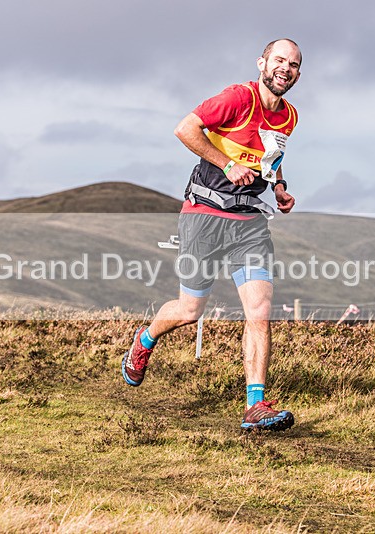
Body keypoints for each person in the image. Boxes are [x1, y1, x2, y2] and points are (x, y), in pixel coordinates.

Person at [122, 38, 302, 431]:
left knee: (259, 312)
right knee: (190, 311)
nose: (284, 69)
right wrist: (226, 163)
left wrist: (280, 187)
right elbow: (185, 128)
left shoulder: (289, 117)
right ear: (262, 63)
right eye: (279, 60)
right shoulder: (238, 98)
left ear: (297, 74)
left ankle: (255, 405)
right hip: (204, 215)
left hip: (250, 224)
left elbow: (272, 158)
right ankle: (145, 341)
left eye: (293, 64)